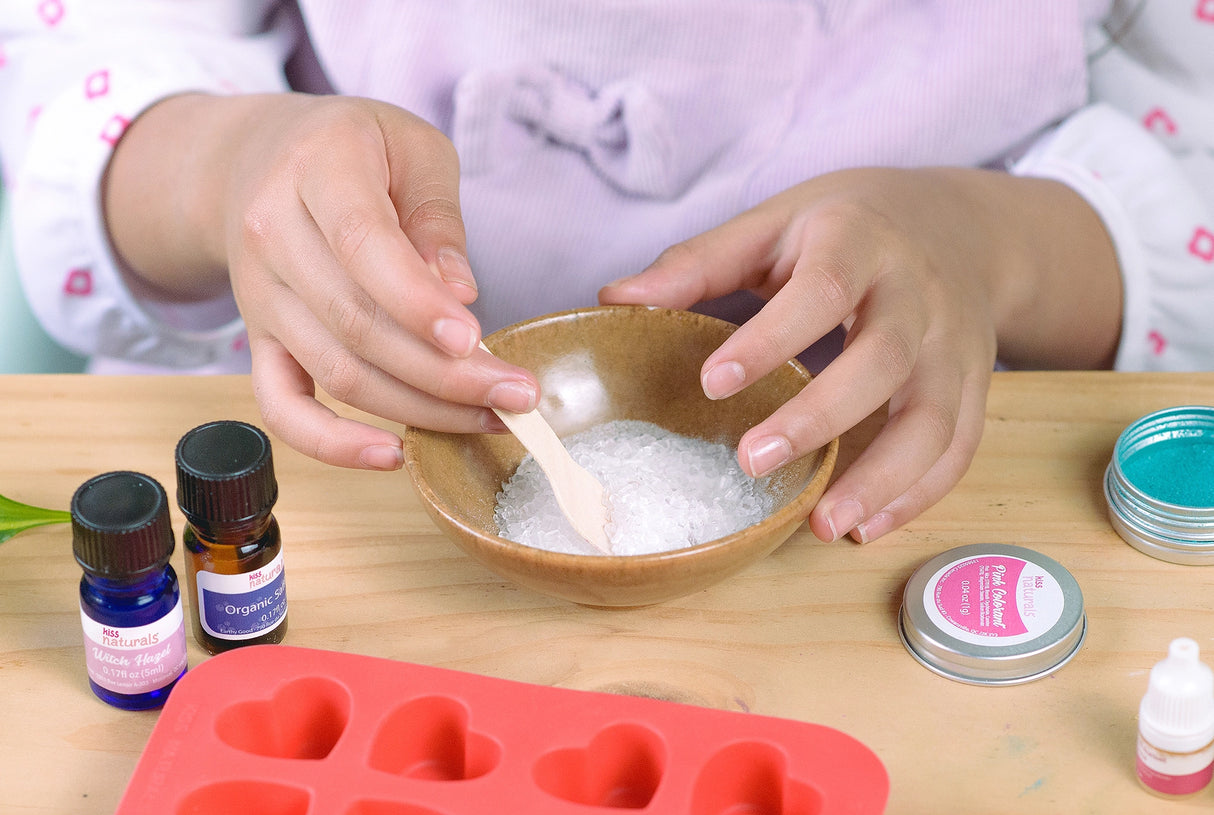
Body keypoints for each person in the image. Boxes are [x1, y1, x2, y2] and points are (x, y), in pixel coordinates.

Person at [1, 0, 1211, 545]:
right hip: (336, 473)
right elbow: (82, 63)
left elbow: (1187, 166)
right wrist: (226, 170)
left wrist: (980, 243)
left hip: (907, 486)